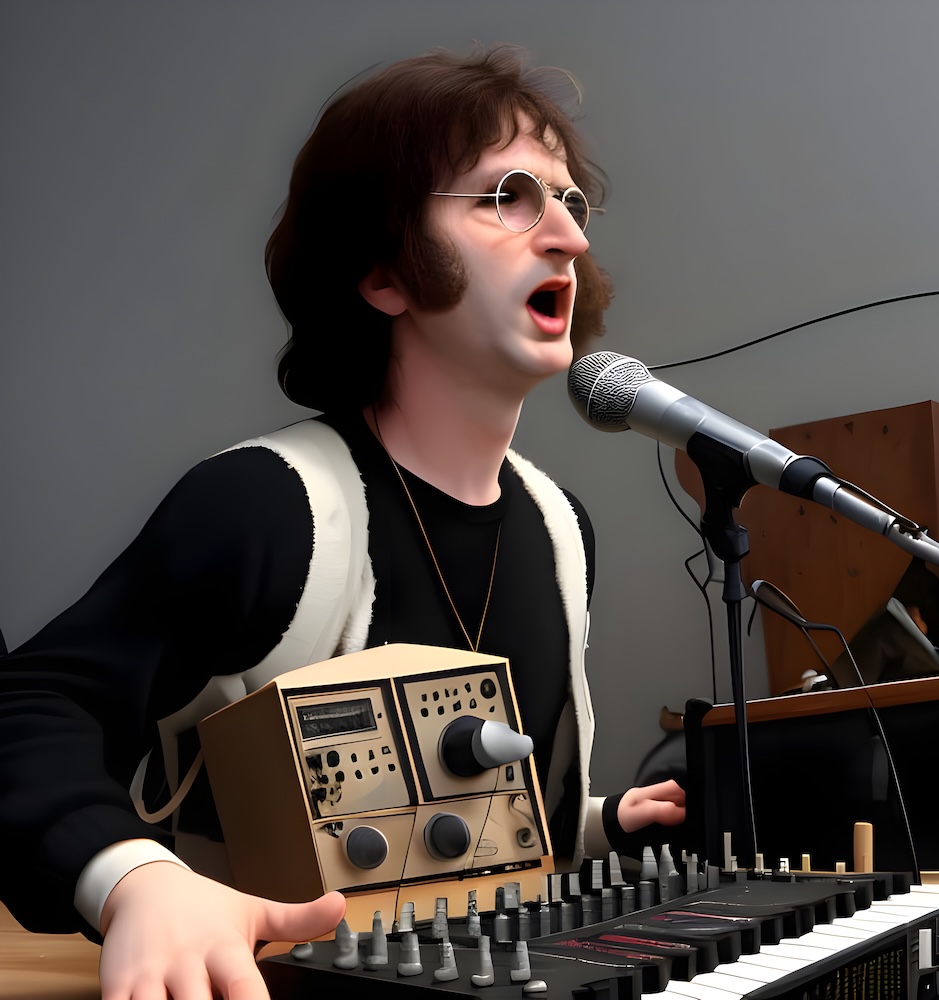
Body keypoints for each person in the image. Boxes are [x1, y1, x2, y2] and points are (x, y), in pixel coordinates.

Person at [0, 45, 685, 1000]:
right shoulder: (263, 505)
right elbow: (28, 706)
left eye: (570, 202)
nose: (568, 236)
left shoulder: (562, 529)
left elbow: (451, 813)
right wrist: (134, 880)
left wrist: (598, 824)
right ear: (384, 272)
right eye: (509, 197)